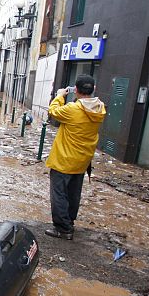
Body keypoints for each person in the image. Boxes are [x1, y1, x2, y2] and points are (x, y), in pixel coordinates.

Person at [44, 75, 106, 240]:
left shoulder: (73, 109)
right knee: (73, 193)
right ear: (93, 89)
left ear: (76, 90)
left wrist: (59, 95)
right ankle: (69, 221)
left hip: (64, 160)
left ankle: (63, 229)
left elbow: (53, 111)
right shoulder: (100, 109)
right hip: (83, 160)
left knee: (59, 194)